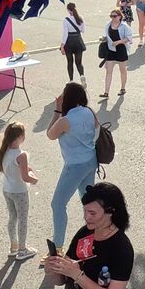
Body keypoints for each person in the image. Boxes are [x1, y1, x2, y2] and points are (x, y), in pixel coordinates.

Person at [47, 83, 100, 247]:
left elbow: (50, 134)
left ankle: (57, 246)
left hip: (75, 166)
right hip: (91, 160)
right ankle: (95, 237)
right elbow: (97, 128)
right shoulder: (89, 112)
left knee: (58, 204)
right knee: (89, 203)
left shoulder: (65, 120)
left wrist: (56, 110)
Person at [0, 121, 40, 261]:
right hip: (20, 191)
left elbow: (16, 169)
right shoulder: (21, 155)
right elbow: (25, 177)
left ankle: (13, 246)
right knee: (23, 220)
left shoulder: (4, 151)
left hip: (7, 189)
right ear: (20, 136)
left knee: (12, 217)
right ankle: (22, 249)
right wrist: (35, 179)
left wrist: (27, 170)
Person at [97, 10, 131, 99]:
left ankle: (123, 88)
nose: (112, 18)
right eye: (111, 16)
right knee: (108, 71)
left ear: (120, 16)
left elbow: (129, 38)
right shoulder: (108, 25)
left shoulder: (124, 26)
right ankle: (106, 92)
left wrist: (118, 42)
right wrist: (103, 39)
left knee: (122, 70)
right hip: (111, 49)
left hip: (121, 50)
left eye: (114, 16)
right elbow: (107, 36)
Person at [60, 2, 88, 85]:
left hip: (69, 42)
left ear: (68, 10)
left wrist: (62, 45)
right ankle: (82, 75)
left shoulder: (66, 20)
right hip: (78, 40)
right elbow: (83, 30)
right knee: (79, 62)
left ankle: (71, 80)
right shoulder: (80, 18)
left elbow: (65, 34)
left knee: (70, 62)